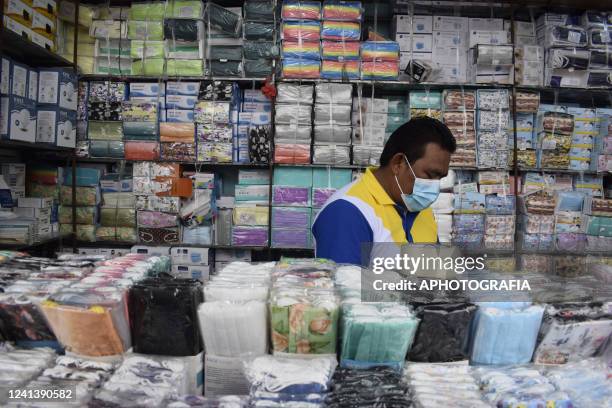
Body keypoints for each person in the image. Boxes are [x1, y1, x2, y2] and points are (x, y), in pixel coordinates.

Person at [312, 117, 456, 265]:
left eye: (440, 178)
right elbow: (342, 285)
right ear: (398, 163)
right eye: (430, 175)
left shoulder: (420, 208)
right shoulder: (348, 211)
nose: (434, 186)